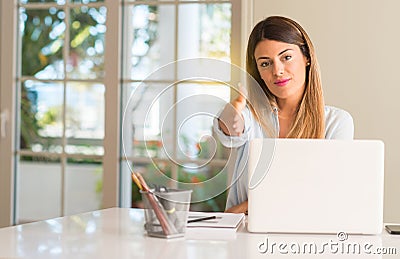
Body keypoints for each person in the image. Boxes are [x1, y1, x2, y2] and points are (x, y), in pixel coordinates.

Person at [213, 16, 354, 214]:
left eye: (286, 57)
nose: (277, 71)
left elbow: (327, 194)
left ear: (307, 58)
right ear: (258, 72)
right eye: (265, 64)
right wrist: (230, 119)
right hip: (244, 238)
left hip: (308, 237)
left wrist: (246, 207)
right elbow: (231, 129)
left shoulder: (337, 123)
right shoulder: (252, 118)